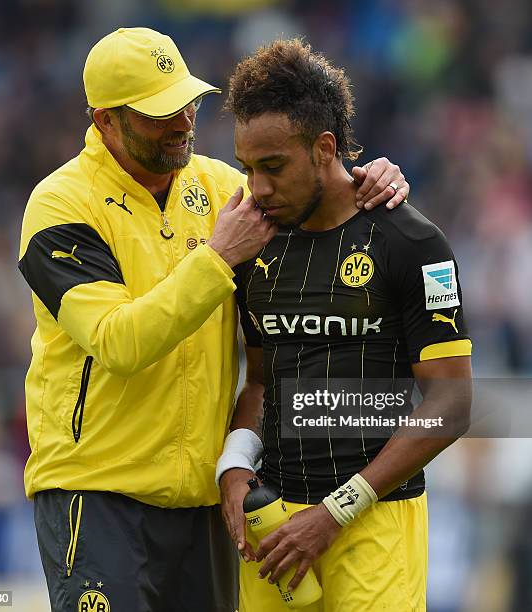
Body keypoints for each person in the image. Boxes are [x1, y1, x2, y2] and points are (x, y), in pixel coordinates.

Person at [17, 27, 411, 611]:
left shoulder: (223, 186)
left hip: (203, 499)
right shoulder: (59, 205)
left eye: (186, 101)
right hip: (96, 492)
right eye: (158, 113)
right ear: (104, 122)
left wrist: (371, 181)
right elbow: (117, 342)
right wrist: (218, 257)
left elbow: (320, 204)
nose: (181, 121)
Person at [217, 39, 472, 611]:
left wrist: (334, 513)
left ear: (324, 148)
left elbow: (451, 401)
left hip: (375, 523)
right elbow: (259, 382)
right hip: (276, 532)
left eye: (273, 166)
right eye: (247, 168)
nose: (257, 187)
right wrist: (234, 465)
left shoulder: (413, 244)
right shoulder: (253, 246)